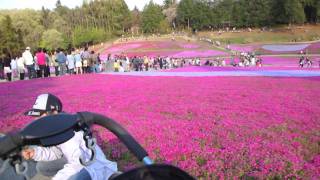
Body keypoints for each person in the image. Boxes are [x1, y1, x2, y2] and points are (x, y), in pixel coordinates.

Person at [22, 93, 118, 180]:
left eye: (39, 115)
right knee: (42, 167)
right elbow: (56, 151)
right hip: (76, 161)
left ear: (53, 113)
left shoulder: (70, 132)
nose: (36, 120)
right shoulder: (57, 126)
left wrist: (57, 178)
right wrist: (35, 153)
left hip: (92, 167)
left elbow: (78, 164)